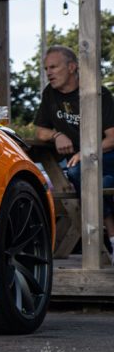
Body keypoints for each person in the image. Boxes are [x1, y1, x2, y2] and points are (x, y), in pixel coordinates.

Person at [33, 45, 114, 262]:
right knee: (100, 181)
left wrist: (86, 154)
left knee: (81, 172)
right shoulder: (50, 93)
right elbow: (40, 131)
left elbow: (112, 138)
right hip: (81, 165)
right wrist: (57, 135)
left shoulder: (97, 92)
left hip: (106, 155)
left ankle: (107, 241)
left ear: (72, 67)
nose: (48, 72)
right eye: (46, 68)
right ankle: (111, 242)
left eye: (54, 67)